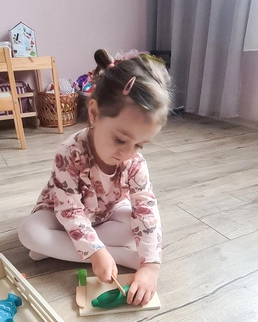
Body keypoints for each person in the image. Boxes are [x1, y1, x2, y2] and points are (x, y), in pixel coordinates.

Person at [18, 49, 171, 306]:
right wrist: (96, 252)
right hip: (63, 214)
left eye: (139, 145)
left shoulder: (134, 162)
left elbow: (146, 209)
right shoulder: (69, 152)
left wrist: (150, 267)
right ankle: (114, 255)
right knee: (29, 232)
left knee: (134, 226)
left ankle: (59, 249)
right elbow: (69, 210)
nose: (127, 153)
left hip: (106, 214)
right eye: (120, 139)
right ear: (94, 114)